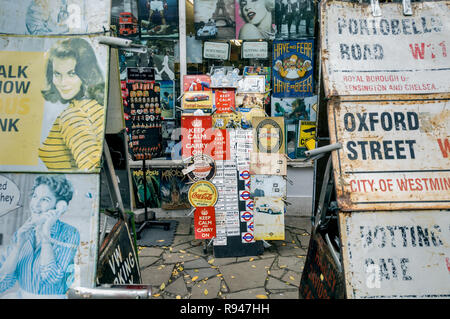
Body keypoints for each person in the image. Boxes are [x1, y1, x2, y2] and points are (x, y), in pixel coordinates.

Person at [0, 175, 79, 298]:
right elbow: (3, 284)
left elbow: (51, 277)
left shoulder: (69, 233)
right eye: (35, 196)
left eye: (45, 200)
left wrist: (45, 232)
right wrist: (17, 247)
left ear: (59, 206)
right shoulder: (22, 233)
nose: (35, 204)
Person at [39, 38, 105, 172]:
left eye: (72, 73)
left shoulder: (72, 116)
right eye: (57, 74)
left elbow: (90, 170)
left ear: (87, 74)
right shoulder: (95, 107)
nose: (63, 82)